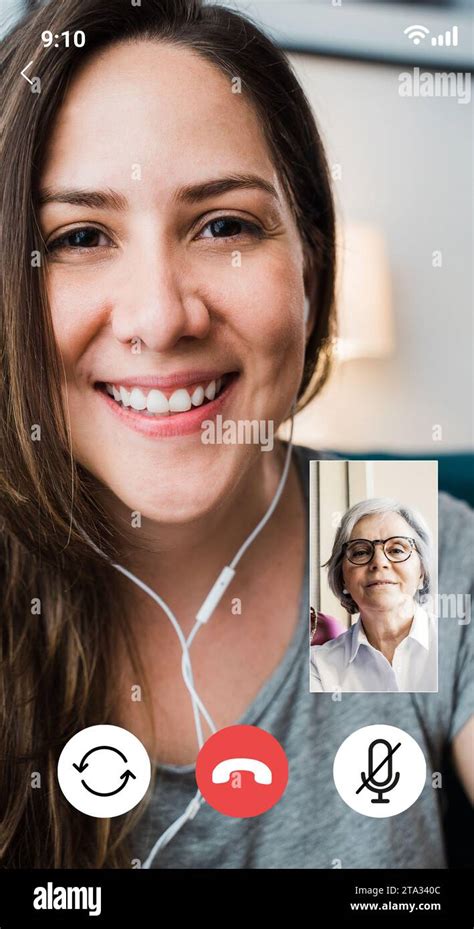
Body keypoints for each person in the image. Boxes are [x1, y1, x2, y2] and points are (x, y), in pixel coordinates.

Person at [0, 0, 472, 871]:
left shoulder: (394, 535)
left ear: (311, 264)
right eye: (78, 236)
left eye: (225, 225)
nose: (160, 316)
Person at [310, 499, 438, 693]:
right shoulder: (316, 666)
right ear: (342, 577)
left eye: (397, 550)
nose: (379, 562)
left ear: (422, 571)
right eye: (361, 552)